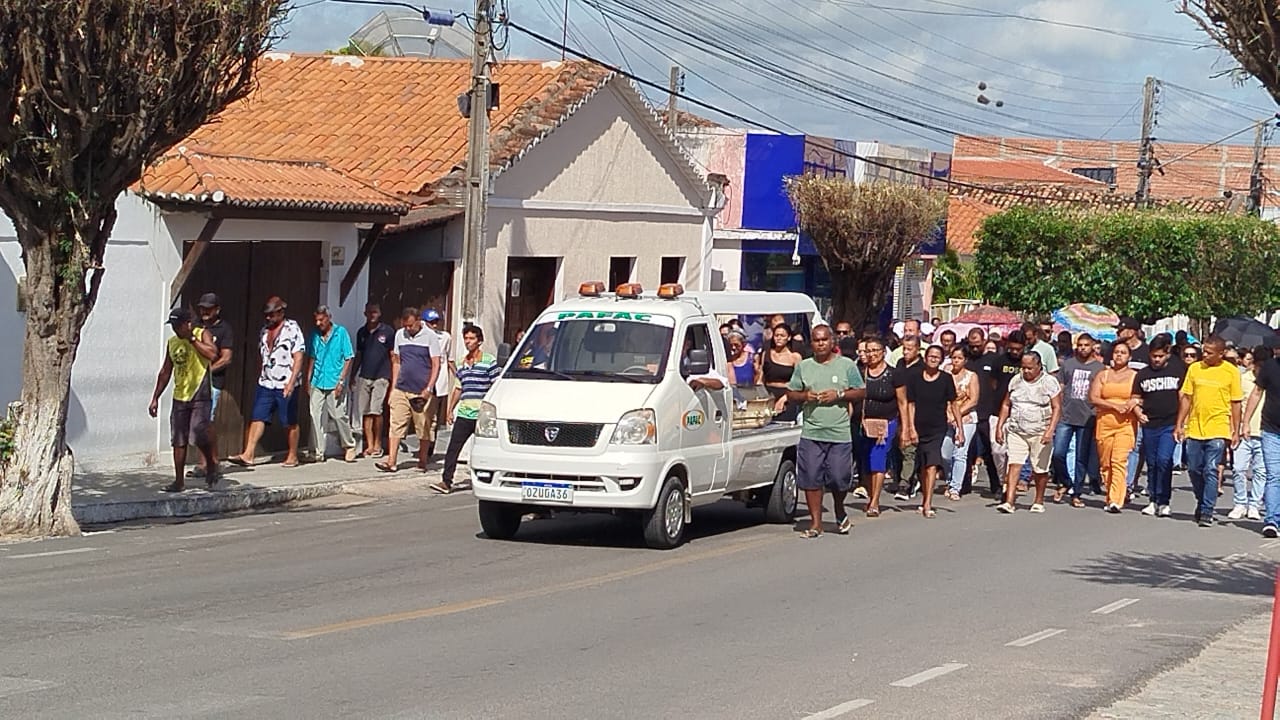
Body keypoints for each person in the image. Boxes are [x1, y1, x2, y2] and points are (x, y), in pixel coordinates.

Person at [786, 325, 866, 538]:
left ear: (832, 341)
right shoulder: (804, 366)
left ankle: (839, 509)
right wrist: (805, 397)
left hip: (839, 433)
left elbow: (860, 391)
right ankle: (815, 523)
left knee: (839, 478)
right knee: (811, 477)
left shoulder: (846, 365)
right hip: (812, 432)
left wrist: (838, 394)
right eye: (816, 340)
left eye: (824, 340)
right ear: (811, 343)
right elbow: (791, 393)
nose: (820, 344)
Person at [149, 308, 219, 492]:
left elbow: (212, 355)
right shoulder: (172, 343)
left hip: (200, 394)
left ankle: (210, 462)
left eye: (178, 325)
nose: (175, 329)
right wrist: (155, 397)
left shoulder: (202, 334)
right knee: (178, 439)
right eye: (172, 326)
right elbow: (165, 371)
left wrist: (192, 339)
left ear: (188, 323)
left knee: (198, 433)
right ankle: (179, 481)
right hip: (180, 395)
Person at [230, 296, 305, 468]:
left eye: (272, 315)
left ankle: (292, 455)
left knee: (289, 421)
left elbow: (299, 356)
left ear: (280, 312)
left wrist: (292, 382)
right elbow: (262, 355)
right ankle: (248, 454)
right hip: (266, 381)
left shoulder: (292, 328)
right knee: (258, 416)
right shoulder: (264, 330)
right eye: (267, 315)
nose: (268, 318)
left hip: (286, 380)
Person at [1176, 335, 1243, 528]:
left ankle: (1207, 510)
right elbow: (1187, 398)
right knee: (1195, 469)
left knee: (1211, 469)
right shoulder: (1195, 368)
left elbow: (1236, 403)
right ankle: (1202, 499)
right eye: (1203, 351)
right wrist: (1179, 423)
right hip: (1195, 428)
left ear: (1221, 354)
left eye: (1209, 352)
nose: (1204, 355)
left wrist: (1235, 430)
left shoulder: (1231, 372)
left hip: (1219, 427)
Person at [435, 325, 501, 495]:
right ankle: (446, 481)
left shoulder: (489, 361)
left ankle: (489, 479)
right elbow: (458, 388)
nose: (468, 342)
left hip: (482, 416)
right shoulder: (462, 364)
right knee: (453, 448)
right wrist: (450, 410)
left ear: (479, 341)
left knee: (486, 448)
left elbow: (496, 387)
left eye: (471, 338)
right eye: (466, 338)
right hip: (465, 413)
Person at [994, 352, 1061, 514]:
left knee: (1040, 468)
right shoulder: (1016, 380)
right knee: (1014, 464)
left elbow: (1057, 407)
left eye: (1029, 368)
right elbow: (1006, 404)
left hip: (1040, 430)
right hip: (1017, 430)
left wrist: (1050, 430)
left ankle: (1038, 500)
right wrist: (999, 426)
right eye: (1023, 367)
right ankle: (1009, 501)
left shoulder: (1049, 383)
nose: (1026, 371)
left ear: (1039, 366)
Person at [378, 307, 442, 473]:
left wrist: (429, 387)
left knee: (423, 425)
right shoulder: (400, 335)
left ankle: (422, 460)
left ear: (419, 321)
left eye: (411, 325)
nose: (408, 329)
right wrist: (393, 388)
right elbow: (397, 362)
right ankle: (391, 461)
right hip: (402, 387)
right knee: (396, 423)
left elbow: (436, 364)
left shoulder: (431, 337)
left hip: (421, 389)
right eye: (405, 325)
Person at [905, 345, 962, 518]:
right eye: (931, 356)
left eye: (937, 357)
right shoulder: (915, 377)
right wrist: (910, 428)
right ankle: (923, 497)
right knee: (922, 465)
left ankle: (928, 503)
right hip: (918, 426)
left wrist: (960, 428)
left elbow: (953, 403)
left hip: (937, 428)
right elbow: (910, 404)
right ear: (925, 357)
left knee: (931, 464)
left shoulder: (946, 378)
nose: (933, 359)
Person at [1132, 335, 1185, 518]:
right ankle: (1153, 500)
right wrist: (1138, 413)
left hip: (1169, 424)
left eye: (1160, 356)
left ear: (1167, 354)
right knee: (1152, 462)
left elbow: (1183, 397)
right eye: (1153, 356)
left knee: (1164, 460)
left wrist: (1181, 422)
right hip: (1150, 424)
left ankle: (1164, 500)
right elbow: (1135, 398)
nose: (1156, 360)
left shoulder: (1178, 369)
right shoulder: (1143, 374)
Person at [858, 337, 907, 517]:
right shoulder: (860, 372)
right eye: (867, 351)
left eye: (875, 350)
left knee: (878, 461)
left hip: (887, 423)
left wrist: (907, 427)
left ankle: (875, 501)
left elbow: (903, 402)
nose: (871, 355)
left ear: (883, 352)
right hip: (864, 423)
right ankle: (871, 495)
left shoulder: (894, 374)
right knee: (866, 461)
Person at [1053, 333, 1103, 507]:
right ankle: (1066, 483)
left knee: (1081, 457)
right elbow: (1059, 387)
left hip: (1087, 417)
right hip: (1066, 415)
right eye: (1080, 345)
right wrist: (1056, 409)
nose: (1082, 348)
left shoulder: (1099, 368)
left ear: (1092, 347)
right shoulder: (1068, 364)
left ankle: (1077, 492)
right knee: (1058, 453)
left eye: (1086, 345)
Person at [304, 305, 358, 463]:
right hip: (318, 380)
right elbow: (312, 358)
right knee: (315, 415)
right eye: (317, 320)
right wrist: (308, 380)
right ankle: (318, 452)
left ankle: (349, 445)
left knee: (338, 414)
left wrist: (342, 380)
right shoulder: (314, 335)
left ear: (329, 318)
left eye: (321, 320)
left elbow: (349, 358)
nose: (319, 323)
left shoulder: (341, 333)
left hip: (334, 380)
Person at [1090, 342, 1140, 513]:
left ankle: (1115, 500)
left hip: (1126, 424)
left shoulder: (1135, 376)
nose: (1119, 355)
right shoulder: (1103, 375)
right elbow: (1094, 398)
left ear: (1129, 357)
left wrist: (1133, 404)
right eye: (1117, 352)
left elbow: (1140, 397)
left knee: (1118, 460)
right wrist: (1113, 406)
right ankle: (1112, 492)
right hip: (1104, 422)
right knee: (1105, 463)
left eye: (1123, 352)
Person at [194, 293, 233, 479]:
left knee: (205, 422)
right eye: (202, 308)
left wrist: (207, 372)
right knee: (198, 423)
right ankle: (209, 462)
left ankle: (208, 463)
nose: (204, 312)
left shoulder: (224, 329)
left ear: (217, 309)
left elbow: (226, 358)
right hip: (193, 383)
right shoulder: (196, 327)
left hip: (212, 383)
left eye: (208, 308)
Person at [1244, 342, 1280, 537]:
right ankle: (1272, 520)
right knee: (1274, 475)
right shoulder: (1270, 367)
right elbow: (1256, 393)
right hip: (1272, 429)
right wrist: (1246, 422)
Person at [1229, 345, 1268, 521]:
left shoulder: (1272, 380)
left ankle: (1255, 504)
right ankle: (1240, 503)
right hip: (1244, 431)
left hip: (1266, 432)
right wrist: (1235, 428)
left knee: (1261, 472)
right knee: (1238, 468)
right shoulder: (1243, 379)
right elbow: (1235, 405)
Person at [353, 303, 394, 458]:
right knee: (365, 412)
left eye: (375, 312)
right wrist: (353, 376)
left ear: (380, 313)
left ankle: (378, 444)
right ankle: (369, 445)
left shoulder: (388, 332)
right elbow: (359, 355)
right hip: (365, 375)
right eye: (369, 312)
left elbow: (393, 356)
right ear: (365, 313)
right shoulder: (361, 332)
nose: (372, 315)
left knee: (376, 411)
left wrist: (393, 378)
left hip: (382, 376)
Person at [964, 327, 1002, 496]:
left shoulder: (994, 360)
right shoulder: (965, 360)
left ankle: (996, 484)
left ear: (985, 342)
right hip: (968, 413)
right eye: (971, 346)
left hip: (987, 412)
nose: (974, 349)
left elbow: (998, 384)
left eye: (977, 345)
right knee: (966, 450)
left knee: (990, 451)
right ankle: (964, 484)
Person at [942, 346, 978, 502]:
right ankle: (950, 480)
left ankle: (956, 487)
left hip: (966, 419)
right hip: (947, 418)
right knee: (945, 453)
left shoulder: (971, 376)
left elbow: (973, 399)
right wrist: (948, 414)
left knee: (960, 453)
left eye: (959, 358)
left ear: (965, 360)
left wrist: (958, 414)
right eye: (953, 357)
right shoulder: (945, 374)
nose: (955, 361)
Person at [422, 308, 454, 461]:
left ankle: (429, 446)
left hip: (438, 382)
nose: (434, 326)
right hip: (422, 380)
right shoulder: (421, 338)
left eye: (436, 322)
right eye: (431, 323)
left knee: (433, 416)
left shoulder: (445, 337)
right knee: (422, 415)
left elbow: (449, 359)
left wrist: (458, 375)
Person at [759, 323, 803, 421]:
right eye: (776, 335)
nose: (778, 338)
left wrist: (785, 398)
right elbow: (761, 376)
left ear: (788, 337)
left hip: (787, 395)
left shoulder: (795, 357)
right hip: (768, 394)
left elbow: (798, 382)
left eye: (782, 335)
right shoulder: (766, 354)